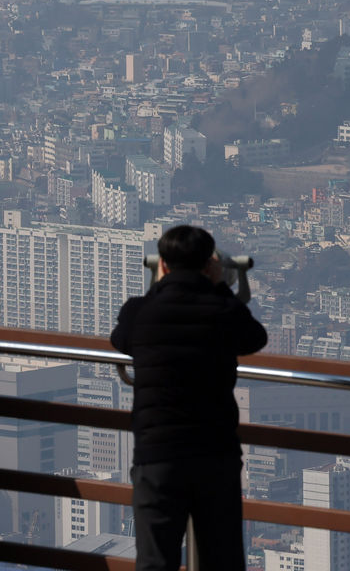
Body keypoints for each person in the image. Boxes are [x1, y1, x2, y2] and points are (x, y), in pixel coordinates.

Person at [111, 224, 267, 571]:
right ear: (209, 266)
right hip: (215, 454)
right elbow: (255, 337)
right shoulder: (223, 313)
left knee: (155, 562)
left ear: (162, 264)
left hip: (158, 456)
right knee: (222, 559)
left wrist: (159, 288)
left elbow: (120, 339)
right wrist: (222, 287)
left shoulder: (139, 313)